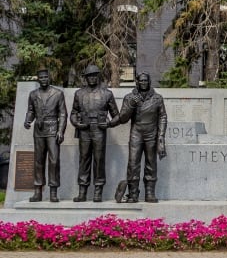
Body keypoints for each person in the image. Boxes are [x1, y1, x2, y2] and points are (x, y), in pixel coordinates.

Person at [110, 72, 167, 203]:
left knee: (151, 163)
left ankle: (150, 192)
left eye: (145, 80)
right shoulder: (129, 97)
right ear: (137, 82)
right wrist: (131, 104)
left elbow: (163, 117)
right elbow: (123, 118)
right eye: (141, 81)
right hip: (136, 133)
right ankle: (133, 193)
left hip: (151, 134)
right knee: (133, 163)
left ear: (149, 81)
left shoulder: (157, 98)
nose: (143, 83)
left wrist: (161, 137)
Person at [70, 64, 119, 202]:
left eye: (94, 75)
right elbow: (73, 113)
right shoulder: (79, 94)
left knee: (99, 160)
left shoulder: (107, 94)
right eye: (89, 76)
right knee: (84, 159)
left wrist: (109, 123)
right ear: (85, 78)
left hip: (99, 130)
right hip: (84, 129)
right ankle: (82, 192)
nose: (92, 78)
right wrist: (76, 123)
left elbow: (117, 115)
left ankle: (98, 191)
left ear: (98, 77)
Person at [23, 69, 67, 203]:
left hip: (53, 129)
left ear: (49, 78)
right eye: (41, 77)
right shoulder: (33, 94)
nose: (43, 79)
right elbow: (31, 110)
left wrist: (61, 130)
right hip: (39, 130)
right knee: (38, 161)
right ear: (38, 79)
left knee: (54, 160)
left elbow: (63, 113)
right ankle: (37, 191)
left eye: (45, 77)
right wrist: (28, 120)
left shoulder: (58, 93)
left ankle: (53, 191)